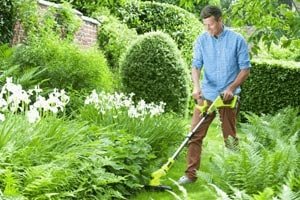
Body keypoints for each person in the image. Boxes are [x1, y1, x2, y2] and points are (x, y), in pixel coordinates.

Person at [178, 5, 251, 185]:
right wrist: (196, 87)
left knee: (230, 138)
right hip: (207, 95)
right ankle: (190, 175)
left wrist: (232, 88)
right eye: (205, 25)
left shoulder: (237, 40)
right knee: (194, 134)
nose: (207, 29)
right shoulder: (202, 40)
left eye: (210, 25)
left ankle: (235, 176)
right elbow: (195, 66)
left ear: (220, 20)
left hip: (227, 97)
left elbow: (245, 69)